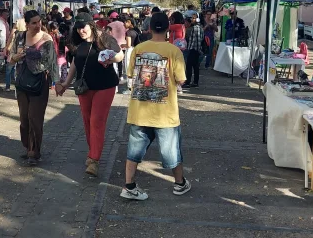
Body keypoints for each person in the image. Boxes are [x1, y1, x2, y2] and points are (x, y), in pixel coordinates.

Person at [121, 12, 190, 200]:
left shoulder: (138, 49)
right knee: (171, 150)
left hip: (139, 110)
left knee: (134, 151)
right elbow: (181, 80)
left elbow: (130, 74)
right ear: (168, 28)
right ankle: (179, 183)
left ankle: (129, 186)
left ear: (149, 28)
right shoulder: (174, 51)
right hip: (165, 113)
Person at [56, 12, 123, 176]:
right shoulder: (77, 41)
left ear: (91, 25)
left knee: (96, 121)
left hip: (105, 86)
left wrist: (111, 58)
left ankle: (94, 159)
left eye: (83, 27)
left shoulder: (104, 39)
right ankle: (93, 150)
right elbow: (75, 62)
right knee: (87, 121)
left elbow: (120, 55)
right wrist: (66, 83)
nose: (81, 31)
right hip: (84, 87)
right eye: (78, 28)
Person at [9, 10, 58, 166]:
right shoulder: (19, 37)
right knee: (24, 118)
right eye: (34, 23)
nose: (38, 25)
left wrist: (57, 83)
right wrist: (15, 57)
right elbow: (10, 58)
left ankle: (33, 152)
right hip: (22, 82)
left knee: (35, 118)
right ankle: (27, 146)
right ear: (27, 24)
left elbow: (53, 62)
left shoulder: (47, 39)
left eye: (39, 22)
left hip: (40, 82)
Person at [5, 18, 27, 91]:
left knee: (9, 69)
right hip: (24, 51)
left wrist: (7, 47)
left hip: (14, 50)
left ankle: (8, 86)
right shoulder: (29, 29)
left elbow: (11, 36)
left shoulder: (18, 22)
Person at [184, 15, 204, 88]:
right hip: (195, 49)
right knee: (195, 66)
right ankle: (195, 82)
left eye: (193, 18)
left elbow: (197, 40)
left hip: (194, 49)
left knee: (189, 66)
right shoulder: (199, 27)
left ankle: (188, 82)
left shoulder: (196, 28)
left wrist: (195, 49)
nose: (192, 19)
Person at [107, 12, 127, 80]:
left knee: (113, 61)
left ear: (111, 18)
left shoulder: (109, 25)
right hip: (122, 45)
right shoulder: (123, 24)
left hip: (113, 45)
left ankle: (115, 75)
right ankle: (121, 75)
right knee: (120, 61)